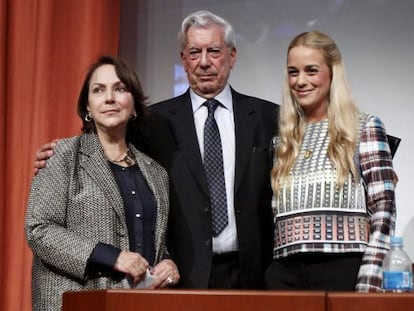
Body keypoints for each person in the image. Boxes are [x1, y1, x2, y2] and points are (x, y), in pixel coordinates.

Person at [34, 11, 279, 289]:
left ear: (232, 56)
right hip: (180, 275)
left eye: (214, 51)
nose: (204, 62)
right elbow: (108, 149)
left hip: (255, 274)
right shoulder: (153, 123)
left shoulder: (268, 117)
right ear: (183, 60)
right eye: (194, 52)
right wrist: (60, 153)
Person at [25, 55, 180, 311]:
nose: (109, 98)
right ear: (87, 105)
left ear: (134, 105)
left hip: (139, 304)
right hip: (75, 302)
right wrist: (114, 257)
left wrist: (167, 262)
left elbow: (154, 240)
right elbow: (39, 230)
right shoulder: (62, 154)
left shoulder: (156, 173)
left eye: (120, 89)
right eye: (99, 90)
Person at [265, 30, 398, 292]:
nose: (301, 81)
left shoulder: (364, 127)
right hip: (284, 274)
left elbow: (384, 206)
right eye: (293, 72)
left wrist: (371, 275)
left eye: (311, 70)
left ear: (332, 73)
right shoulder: (282, 140)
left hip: (344, 270)